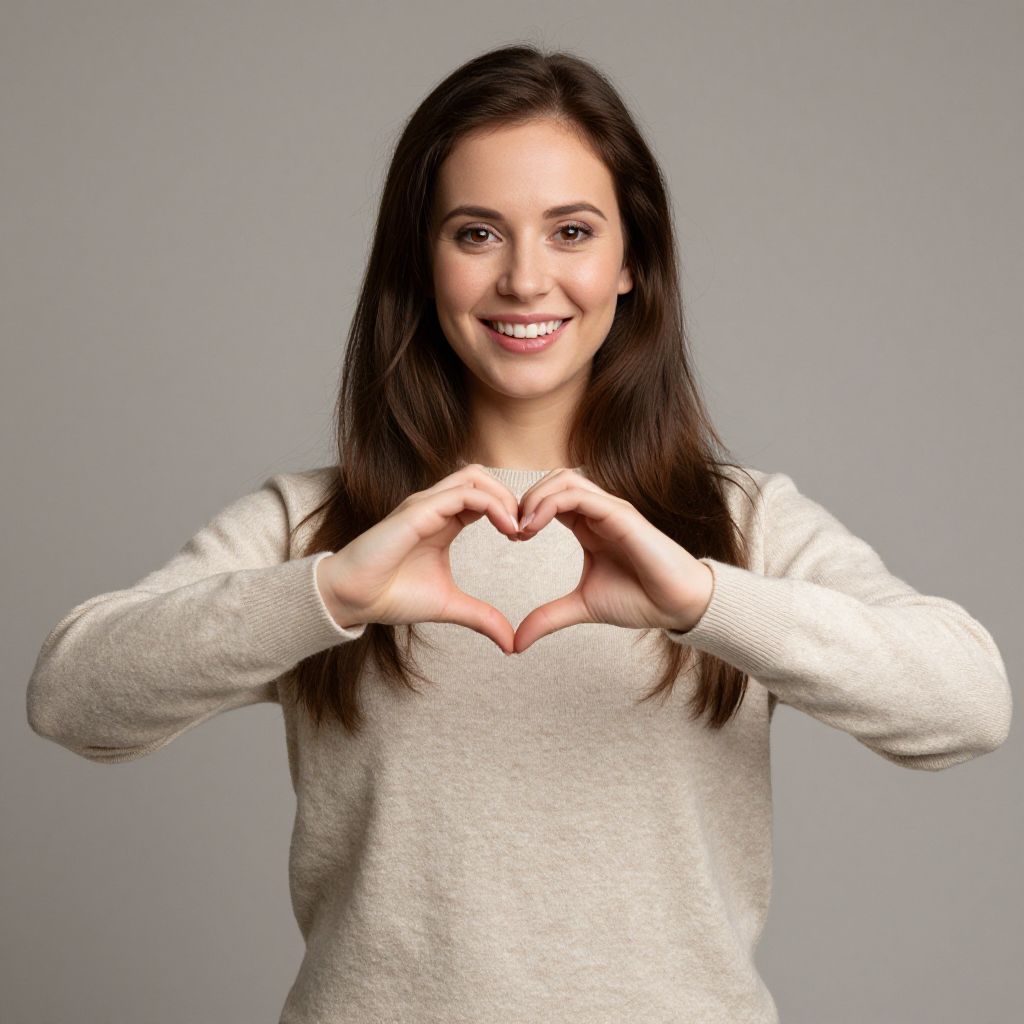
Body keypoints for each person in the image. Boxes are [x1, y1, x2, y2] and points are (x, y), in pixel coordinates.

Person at [25, 44, 1011, 1024]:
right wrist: (328, 595)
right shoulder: (319, 523)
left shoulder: (739, 522)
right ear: (422, 259)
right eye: (476, 233)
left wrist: (704, 601)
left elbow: (968, 704)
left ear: (633, 261)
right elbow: (72, 697)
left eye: (572, 230)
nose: (526, 279)